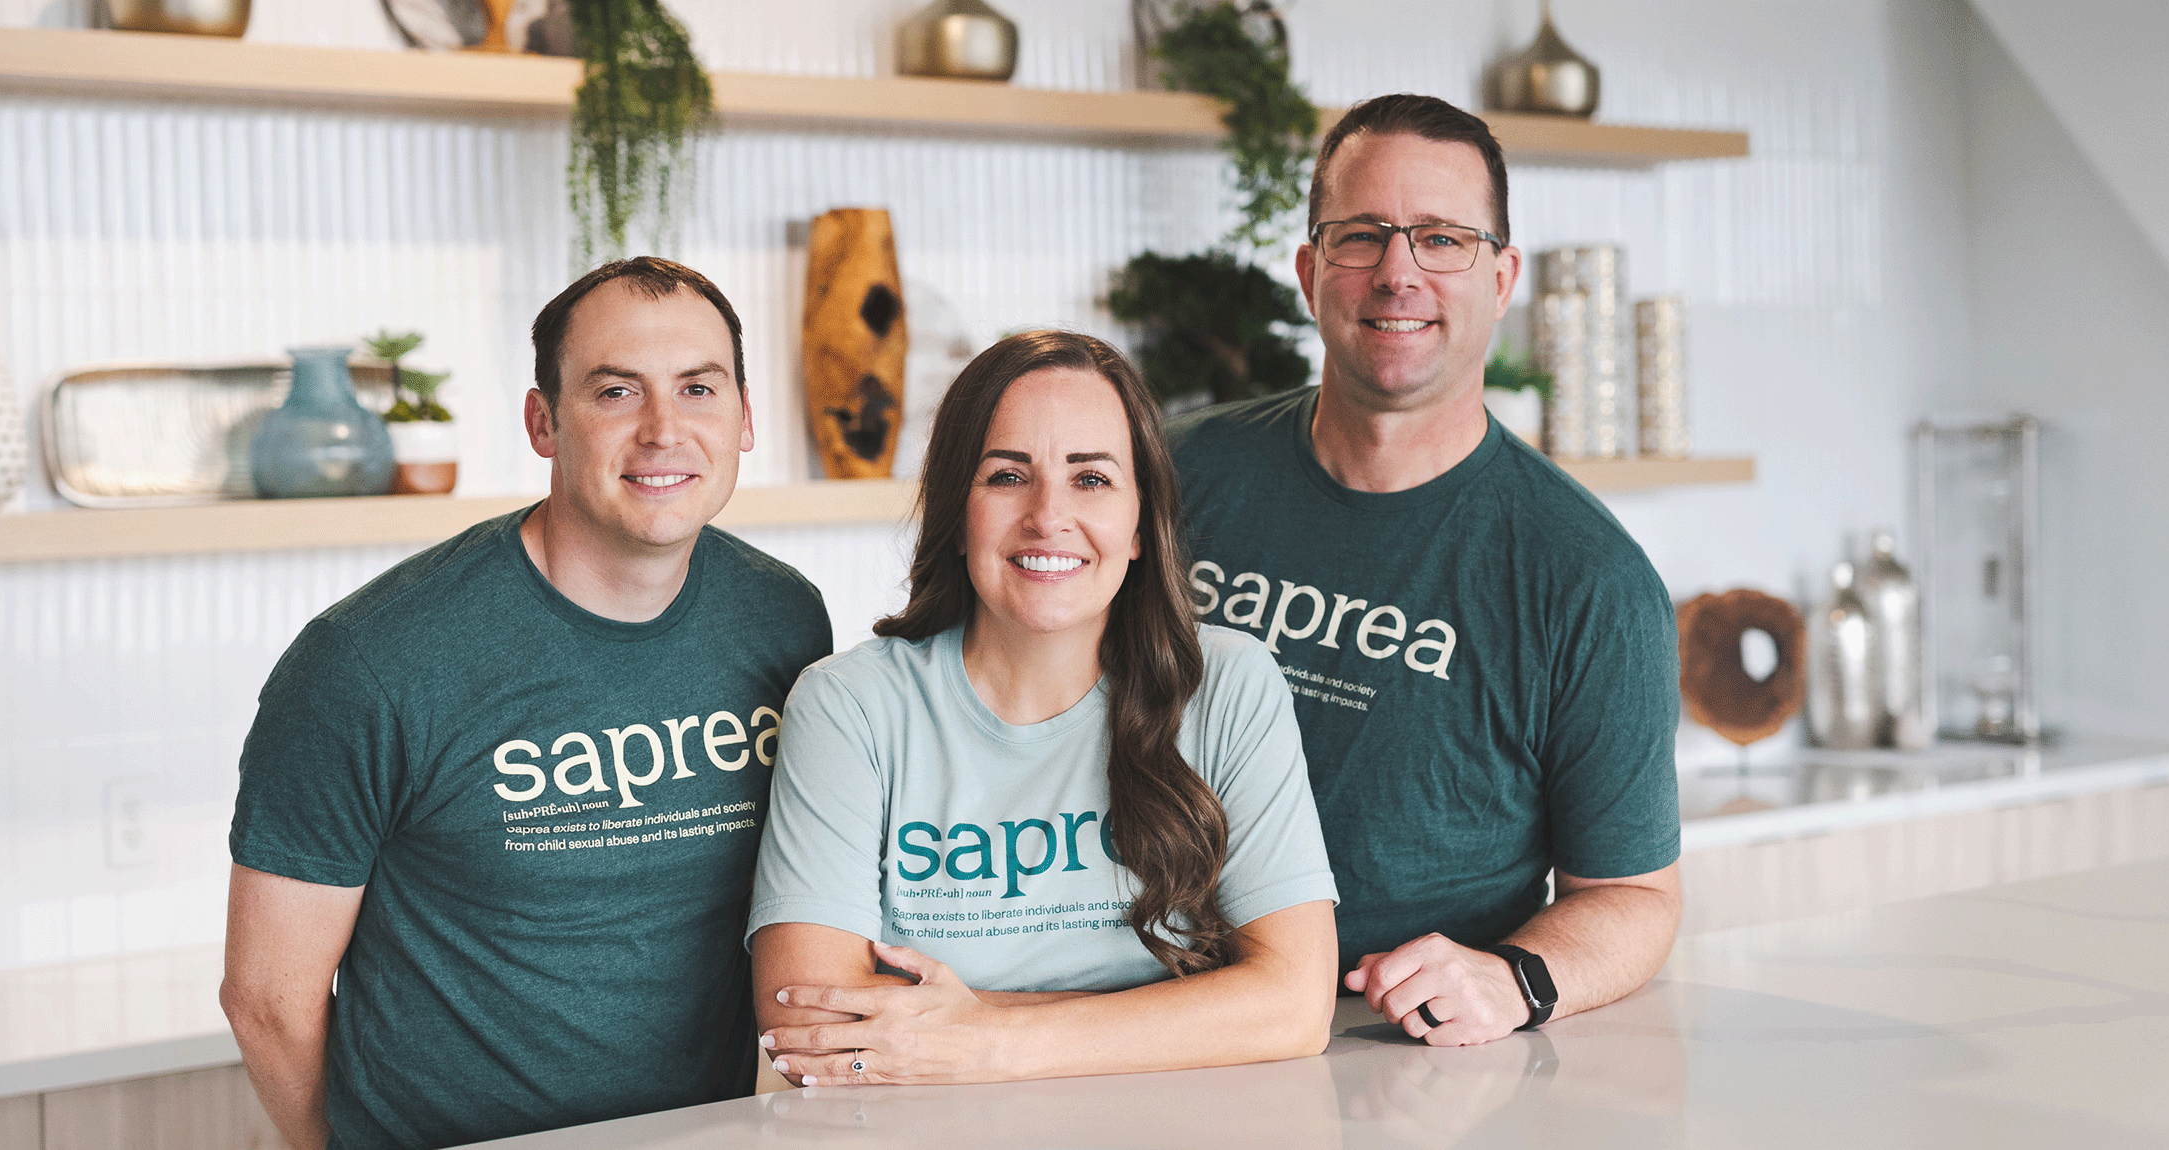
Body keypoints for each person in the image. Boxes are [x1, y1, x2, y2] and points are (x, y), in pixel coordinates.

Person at [220, 257, 832, 1149]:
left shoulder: (783, 619)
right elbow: (266, 1001)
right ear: (543, 423)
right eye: (616, 392)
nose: (664, 431)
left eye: (698, 388)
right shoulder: (368, 662)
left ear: (744, 418)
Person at [1167, 93, 1683, 1046]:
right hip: (1134, 1009)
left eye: (1442, 239)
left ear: (1502, 277)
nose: (1398, 273)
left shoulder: (1590, 582)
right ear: (1309, 271)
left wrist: (1516, 978)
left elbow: (1634, 895)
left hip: (1387, 1055)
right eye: (1361, 237)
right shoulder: (1171, 477)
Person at [747, 330, 1339, 1086]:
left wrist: (988, 1041)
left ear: (1139, 523)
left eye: (1091, 479)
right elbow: (811, 1030)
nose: (1048, 515)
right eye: (1006, 476)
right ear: (957, 511)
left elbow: (1295, 1004)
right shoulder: (849, 707)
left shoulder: (1227, 682)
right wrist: (1191, 1011)